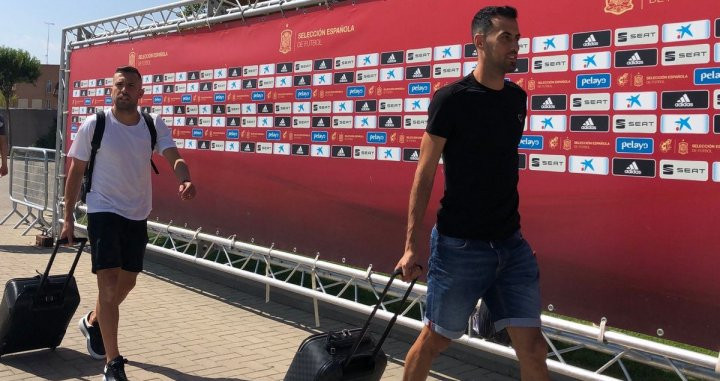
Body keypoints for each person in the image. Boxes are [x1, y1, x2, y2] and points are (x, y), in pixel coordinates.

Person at [395, 6, 550, 381]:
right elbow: (424, 173)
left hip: (511, 246)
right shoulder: (451, 99)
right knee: (435, 339)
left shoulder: (517, 99)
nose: (516, 45)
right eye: (506, 38)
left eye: (517, 37)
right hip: (460, 248)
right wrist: (411, 245)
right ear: (479, 42)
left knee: (533, 347)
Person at [60, 65, 197, 381]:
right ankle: (113, 362)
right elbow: (76, 171)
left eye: (131, 86)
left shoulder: (152, 124)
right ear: (111, 89)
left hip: (137, 212)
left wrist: (185, 179)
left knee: (128, 281)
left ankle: (94, 320)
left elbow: (173, 155)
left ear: (141, 92)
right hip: (102, 209)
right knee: (107, 282)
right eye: (120, 85)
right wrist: (67, 217)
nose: (125, 90)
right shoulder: (95, 124)